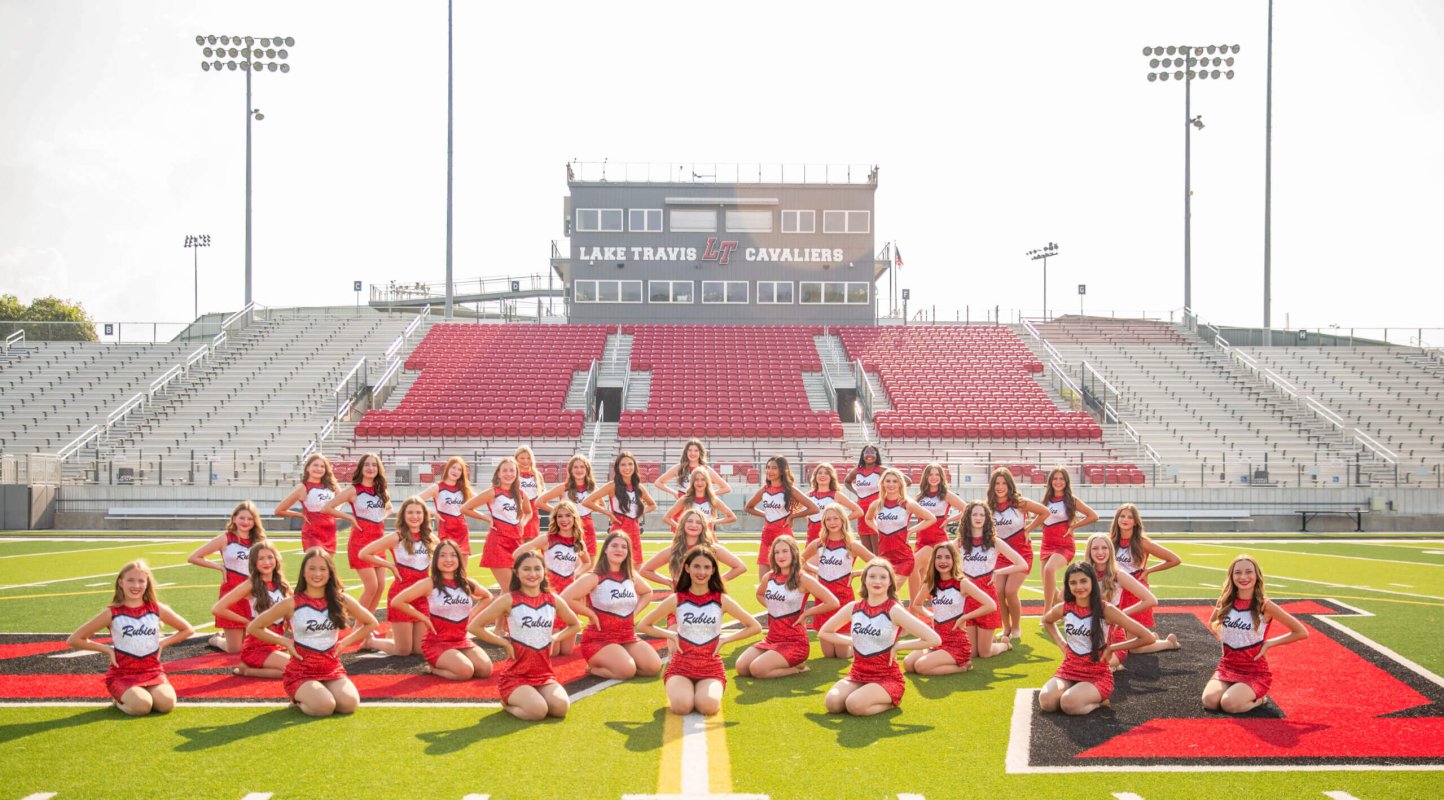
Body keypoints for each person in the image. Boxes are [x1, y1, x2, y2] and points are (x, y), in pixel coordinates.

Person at [247, 547, 379, 717]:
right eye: (312, 568)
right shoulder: (292, 603)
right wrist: (286, 642)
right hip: (302, 670)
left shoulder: (340, 599)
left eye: (323, 569)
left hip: (331, 667)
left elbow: (371, 623)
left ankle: (318, 691)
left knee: (349, 705)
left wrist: (344, 643)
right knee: (324, 707)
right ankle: (298, 698)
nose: (317, 574)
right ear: (303, 572)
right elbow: (254, 627)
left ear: (330, 573)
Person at [638, 546, 763, 716]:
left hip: (711, 667)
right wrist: (672, 635)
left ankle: (702, 692)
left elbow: (754, 626)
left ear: (713, 571)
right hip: (681, 666)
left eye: (706, 567)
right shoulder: (677, 598)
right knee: (682, 707)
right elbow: (644, 625)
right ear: (687, 568)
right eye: (696, 566)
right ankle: (684, 691)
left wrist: (726, 639)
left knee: (708, 707)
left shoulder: (721, 599)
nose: (701, 572)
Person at [68, 560, 195, 715]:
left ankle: (140, 695)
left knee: (166, 704)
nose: (136, 586)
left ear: (147, 583)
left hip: (152, 671)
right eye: (131, 580)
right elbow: (74, 639)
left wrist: (162, 644)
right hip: (123, 674)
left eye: (141, 581)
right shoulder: (112, 613)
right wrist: (107, 649)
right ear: (121, 583)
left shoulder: (156, 608)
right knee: (142, 707)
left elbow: (187, 629)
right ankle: (119, 701)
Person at [469, 550, 582, 721]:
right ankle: (508, 704)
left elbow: (574, 625)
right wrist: (504, 643)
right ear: (516, 572)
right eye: (526, 569)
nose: (533, 574)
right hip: (516, 676)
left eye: (537, 569)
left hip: (544, 674)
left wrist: (555, 638)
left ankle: (532, 696)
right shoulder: (509, 600)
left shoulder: (553, 600)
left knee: (560, 708)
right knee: (537, 712)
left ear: (544, 571)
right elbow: (475, 626)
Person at [819, 558, 941, 716]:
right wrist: (853, 642)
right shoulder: (853, 607)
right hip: (857, 673)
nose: (877, 581)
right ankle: (866, 694)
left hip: (886, 677)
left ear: (890, 582)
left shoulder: (894, 610)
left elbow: (934, 639)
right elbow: (825, 632)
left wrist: (898, 646)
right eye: (872, 576)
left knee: (854, 705)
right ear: (864, 580)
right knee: (833, 704)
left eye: (883, 577)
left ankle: (891, 701)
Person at [1038, 562, 1155, 715]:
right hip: (1069, 669)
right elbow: (1047, 621)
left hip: (1096, 674)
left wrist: (1112, 648)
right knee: (1046, 701)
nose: (1079, 587)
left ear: (1092, 582)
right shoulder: (1065, 608)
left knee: (1068, 704)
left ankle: (1100, 702)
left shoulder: (1106, 609)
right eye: (1073, 582)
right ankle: (1078, 692)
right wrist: (1062, 645)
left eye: (1083, 581)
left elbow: (1147, 637)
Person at [1202, 555, 1309, 714]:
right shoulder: (1224, 600)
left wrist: (1269, 643)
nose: (1243, 577)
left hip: (1254, 671)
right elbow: (1212, 623)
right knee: (1210, 702)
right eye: (1237, 572)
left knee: (1228, 704)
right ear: (1231, 576)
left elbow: (1301, 632)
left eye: (1248, 572)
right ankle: (1237, 691)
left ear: (1257, 576)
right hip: (1227, 666)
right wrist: (1228, 638)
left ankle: (1260, 699)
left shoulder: (1265, 605)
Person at [388, 540, 494, 681]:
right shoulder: (429, 583)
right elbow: (397, 601)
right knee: (465, 672)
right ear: (436, 559)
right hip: (437, 642)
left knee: (485, 670)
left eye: (453, 555)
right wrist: (423, 618)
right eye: (443, 555)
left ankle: (453, 660)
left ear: (458, 558)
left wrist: (471, 615)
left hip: (461, 639)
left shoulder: (466, 583)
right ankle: (433, 669)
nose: (448, 559)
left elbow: (487, 596)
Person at [561, 531, 661, 681]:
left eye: (623, 547)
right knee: (627, 671)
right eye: (614, 545)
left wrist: (635, 611)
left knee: (653, 667)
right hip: (599, 639)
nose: (619, 550)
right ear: (606, 549)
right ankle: (594, 669)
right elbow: (565, 598)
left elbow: (647, 592)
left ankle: (620, 657)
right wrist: (590, 614)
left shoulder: (631, 575)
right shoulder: (594, 576)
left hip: (627, 636)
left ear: (628, 552)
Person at [736, 535, 839, 679]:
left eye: (785, 551)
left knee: (757, 670)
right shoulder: (769, 576)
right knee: (741, 667)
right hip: (771, 639)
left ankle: (797, 669)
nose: (781, 556)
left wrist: (806, 613)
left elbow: (833, 602)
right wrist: (773, 606)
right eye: (777, 552)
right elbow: (759, 594)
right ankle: (778, 661)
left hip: (794, 642)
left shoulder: (802, 578)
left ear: (793, 553)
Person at [357, 496, 438, 657]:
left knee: (419, 650)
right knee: (403, 651)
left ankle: (394, 635)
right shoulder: (397, 537)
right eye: (410, 513)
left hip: (422, 597)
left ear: (424, 516)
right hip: (401, 597)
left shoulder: (431, 539)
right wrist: (390, 566)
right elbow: (364, 553)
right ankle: (371, 642)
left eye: (418, 512)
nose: (414, 516)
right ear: (403, 515)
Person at [903, 541, 997, 675]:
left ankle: (963, 666)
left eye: (947, 557)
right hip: (936, 638)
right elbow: (916, 605)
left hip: (956, 643)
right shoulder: (931, 583)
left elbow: (991, 605)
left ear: (954, 560)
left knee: (921, 667)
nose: (943, 561)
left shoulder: (962, 583)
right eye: (939, 557)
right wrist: (930, 616)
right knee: (908, 664)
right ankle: (938, 659)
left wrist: (965, 617)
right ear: (933, 560)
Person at [187, 500, 265, 654]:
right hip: (232, 594)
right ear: (234, 518)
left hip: (255, 594)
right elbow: (194, 557)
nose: (245, 522)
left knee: (255, 646)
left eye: (250, 519)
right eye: (242, 518)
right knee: (235, 650)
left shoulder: (260, 540)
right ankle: (216, 639)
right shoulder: (225, 538)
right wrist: (219, 567)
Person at [800, 505, 875, 658]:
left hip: (843, 597)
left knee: (841, 654)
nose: (832, 522)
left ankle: (863, 644)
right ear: (824, 522)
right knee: (828, 654)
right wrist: (816, 571)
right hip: (823, 598)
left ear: (843, 520)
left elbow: (878, 563)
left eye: (835, 518)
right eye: (828, 519)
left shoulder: (852, 545)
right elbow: (800, 561)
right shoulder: (818, 543)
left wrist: (857, 573)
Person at [322, 452, 392, 614]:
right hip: (360, 543)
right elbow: (326, 508)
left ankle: (368, 625)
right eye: (366, 464)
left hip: (378, 543)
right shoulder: (353, 490)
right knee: (371, 586)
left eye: (374, 465)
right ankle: (358, 627)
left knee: (380, 586)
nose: (370, 468)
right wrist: (349, 517)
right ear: (360, 468)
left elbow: (389, 508)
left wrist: (381, 517)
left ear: (378, 469)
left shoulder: (381, 491)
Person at [519, 499, 591, 655]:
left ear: (574, 518)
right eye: (560, 516)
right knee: (552, 651)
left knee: (566, 652)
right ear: (555, 519)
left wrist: (576, 574)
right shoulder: (547, 539)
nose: (564, 520)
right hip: (550, 594)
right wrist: (533, 571)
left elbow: (587, 563)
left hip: (571, 595)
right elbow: (518, 553)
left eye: (567, 516)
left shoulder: (578, 543)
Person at [211, 541, 292, 678]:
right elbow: (218, 609)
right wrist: (246, 621)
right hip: (257, 648)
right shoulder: (250, 584)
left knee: (308, 667)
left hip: (277, 644)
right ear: (254, 563)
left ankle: (250, 668)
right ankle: (246, 670)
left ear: (277, 559)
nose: (266, 562)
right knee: (296, 670)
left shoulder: (282, 584)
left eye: (270, 557)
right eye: (261, 558)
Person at [1110, 503, 1183, 656]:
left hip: (1134, 593)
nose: (1125, 519)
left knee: (1133, 649)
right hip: (1115, 590)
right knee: (1114, 637)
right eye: (1122, 516)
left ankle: (1168, 643)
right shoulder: (1111, 541)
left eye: (1130, 517)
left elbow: (1174, 559)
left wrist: (1149, 570)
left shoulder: (1142, 542)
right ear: (1117, 519)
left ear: (1135, 522)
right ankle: (1149, 638)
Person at [955, 501, 1026, 659]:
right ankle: (988, 639)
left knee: (985, 654)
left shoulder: (994, 542)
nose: (978, 518)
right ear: (968, 517)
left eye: (982, 515)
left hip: (987, 598)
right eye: (975, 514)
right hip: (966, 599)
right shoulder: (959, 543)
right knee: (972, 653)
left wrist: (997, 572)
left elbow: (1022, 564)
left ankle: (1004, 644)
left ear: (987, 518)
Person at [988, 467, 1049, 640]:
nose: (1000, 487)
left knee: (1010, 591)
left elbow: (1045, 512)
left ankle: (1016, 627)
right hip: (1000, 556)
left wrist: (1028, 528)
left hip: (1021, 554)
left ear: (1009, 485)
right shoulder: (989, 506)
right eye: (997, 483)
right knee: (998, 591)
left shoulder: (1020, 503)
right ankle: (1006, 628)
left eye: (1004, 483)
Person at [459, 457, 534, 591]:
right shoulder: (493, 492)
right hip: (498, 543)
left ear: (516, 473)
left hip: (516, 543)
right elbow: (465, 508)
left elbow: (529, 512)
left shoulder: (521, 494)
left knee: (514, 589)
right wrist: (487, 518)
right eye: (504, 470)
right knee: (509, 589)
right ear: (498, 473)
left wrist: (522, 523)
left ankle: (500, 612)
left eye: (512, 470)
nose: (508, 474)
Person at [864, 467, 935, 598]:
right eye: (888, 481)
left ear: (900, 484)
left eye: (895, 481)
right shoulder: (877, 504)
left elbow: (931, 518)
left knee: (887, 593)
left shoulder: (907, 504)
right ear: (883, 484)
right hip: (884, 558)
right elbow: (868, 519)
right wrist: (878, 530)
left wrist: (911, 530)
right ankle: (896, 616)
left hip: (903, 558)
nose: (891, 484)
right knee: (884, 595)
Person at [743, 455, 819, 577]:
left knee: (787, 578)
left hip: (784, 535)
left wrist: (793, 516)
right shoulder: (764, 489)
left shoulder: (789, 490)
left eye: (774, 468)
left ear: (782, 471)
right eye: (768, 467)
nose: (769, 471)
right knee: (764, 580)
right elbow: (748, 507)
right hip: (766, 535)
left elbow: (814, 508)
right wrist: (765, 514)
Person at [639, 509, 748, 590]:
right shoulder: (673, 550)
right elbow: (645, 570)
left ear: (703, 527)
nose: (693, 525)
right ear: (683, 524)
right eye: (690, 521)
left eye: (698, 522)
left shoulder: (711, 548)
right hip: (680, 600)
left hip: (706, 598)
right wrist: (669, 582)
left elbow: (740, 567)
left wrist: (716, 581)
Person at [1038, 467, 1098, 612]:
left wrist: (1073, 526)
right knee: (1047, 581)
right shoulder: (1046, 500)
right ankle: (1068, 603)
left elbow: (1093, 516)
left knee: (1049, 569)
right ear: (1050, 482)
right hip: (1046, 543)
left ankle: (1047, 612)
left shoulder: (1071, 500)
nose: (1058, 482)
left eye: (1061, 479)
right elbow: (1041, 519)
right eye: (1055, 479)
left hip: (1064, 545)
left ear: (1066, 482)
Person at [583, 451, 656, 560]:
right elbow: (587, 501)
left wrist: (640, 512)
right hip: (618, 530)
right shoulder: (612, 486)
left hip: (635, 531)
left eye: (630, 464)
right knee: (614, 565)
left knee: (636, 566)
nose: (627, 468)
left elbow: (653, 505)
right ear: (617, 468)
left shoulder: (639, 487)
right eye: (623, 465)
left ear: (635, 467)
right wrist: (608, 513)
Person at [911, 463, 968, 590]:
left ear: (942, 477)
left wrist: (949, 520)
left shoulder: (945, 494)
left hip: (936, 541)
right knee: (927, 583)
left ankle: (913, 608)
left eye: (937, 474)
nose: (934, 477)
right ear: (926, 477)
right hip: (921, 540)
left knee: (912, 565)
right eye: (930, 474)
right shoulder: (920, 496)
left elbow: (967, 509)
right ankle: (932, 608)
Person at [274, 453, 339, 554]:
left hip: (330, 531)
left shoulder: (331, 485)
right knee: (316, 561)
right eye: (315, 465)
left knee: (325, 568)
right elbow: (279, 510)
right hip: (312, 533)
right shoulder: (303, 487)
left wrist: (336, 510)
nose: (319, 469)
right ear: (308, 468)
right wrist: (300, 515)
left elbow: (342, 498)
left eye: (322, 466)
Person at [536, 454, 599, 557]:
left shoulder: (592, 488)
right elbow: (539, 502)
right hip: (567, 528)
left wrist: (590, 505)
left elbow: (601, 504)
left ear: (587, 469)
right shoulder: (563, 487)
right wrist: (561, 513)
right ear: (570, 470)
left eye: (582, 467)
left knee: (589, 564)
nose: (579, 470)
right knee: (566, 562)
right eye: (575, 467)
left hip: (587, 528)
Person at [417, 456, 474, 555]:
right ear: (447, 468)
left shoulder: (464, 488)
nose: (455, 471)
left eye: (459, 469)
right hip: (445, 530)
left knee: (463, 569)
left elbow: (480, 499)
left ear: (462, 473)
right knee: (446, 564)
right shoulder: (437, 487)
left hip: (462, 531)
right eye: (453, 467)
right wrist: (432, 512)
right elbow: (415, 500)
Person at [654, 438, 733, 499]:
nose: (693, 453)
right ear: (686, 452)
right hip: (683, 505)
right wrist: (675, 493)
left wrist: (707, 494)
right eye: (690, 450)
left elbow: (726, 488)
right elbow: (658, 482)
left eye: (696, 450)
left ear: (700, 453)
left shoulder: (706, 469)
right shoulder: (679, 468)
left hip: (701, 506)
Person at [662, 467, 738, 530]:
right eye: (696, 480)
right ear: (692, 482)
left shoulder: (713, 499)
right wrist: (681, 527)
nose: (699, 483)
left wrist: (714, 522)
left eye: (703, 479)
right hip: (689, 539)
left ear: (707, 482)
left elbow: (732, 517)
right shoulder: (685, 499)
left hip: (707, 539)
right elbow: (666, 518)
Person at [804, 463, 862, 544]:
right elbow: (795, 510)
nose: (822, 475)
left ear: (831, 477)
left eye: (826, 473)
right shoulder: (808, 495)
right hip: (812, 537)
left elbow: (859, 511)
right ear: (815, 476)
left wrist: (840, 521)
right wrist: (807, 517)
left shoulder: (836, 495)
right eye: (819, 473)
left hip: (831, 536)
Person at [844, 445, 884, 553]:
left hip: (875, 511)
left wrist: (887, 494)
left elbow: (905, 480)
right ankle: (871, 569)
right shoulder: (857, 471)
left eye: (872, 452)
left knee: (877, 551)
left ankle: (880, 569)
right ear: (863, 455)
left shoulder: (880, 470)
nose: (869, 455)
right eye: (867, 452)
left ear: (877, 455)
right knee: (867, 552)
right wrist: (856, 492)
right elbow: (847, 481)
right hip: (861, 511)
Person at [514, 445, 548, 547]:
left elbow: (543, 494)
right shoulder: (512, 474)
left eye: (528, 458)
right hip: (517, 512)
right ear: (516, 459)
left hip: (533, 513)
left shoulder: (537, 475)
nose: (525, 461)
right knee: (517, 545)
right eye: (522, 458)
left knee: (531, 546)